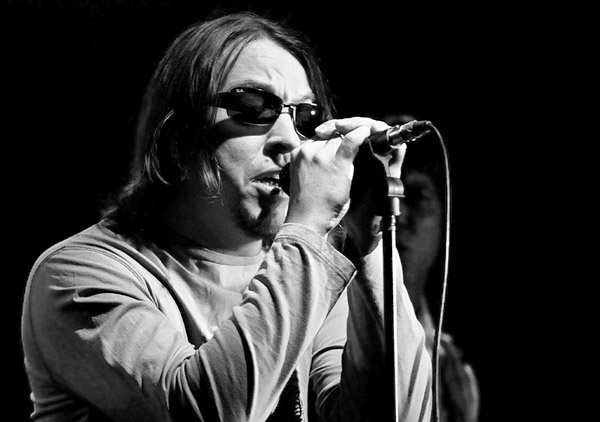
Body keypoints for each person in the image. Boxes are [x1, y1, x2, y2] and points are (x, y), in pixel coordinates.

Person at [21, 12, 432, 421]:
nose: (290, 140)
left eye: (306, 117)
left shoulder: (315, 273)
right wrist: (309, 224)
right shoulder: (78, 274)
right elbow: (209, 410)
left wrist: (370, 241)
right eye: (253, 106)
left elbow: (391, 413)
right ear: (180, 131)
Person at [384, 113, 480, 422]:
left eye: (416, 196)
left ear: (446, 219)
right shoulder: (329, 329)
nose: (398, 214)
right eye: (388, 194)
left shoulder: (452, 368)